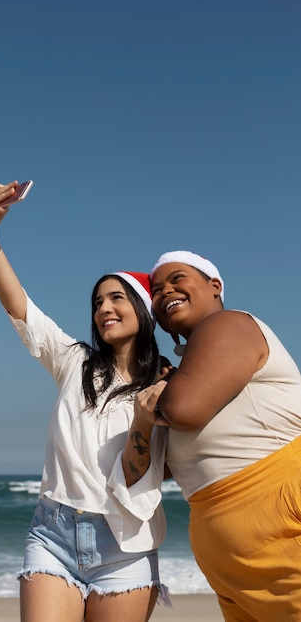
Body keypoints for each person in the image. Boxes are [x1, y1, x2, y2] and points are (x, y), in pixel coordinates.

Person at [0, 180, 172, 622]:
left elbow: (146, 466)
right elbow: (20, 307)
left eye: (116, 298)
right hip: (53, 534)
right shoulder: (75, 362)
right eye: (98, 301)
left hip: (126, 547)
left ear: (141, 310)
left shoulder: (166, 385)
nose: (104, 307)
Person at [127, 250, 301, 622]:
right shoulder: (191, 368)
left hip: (281, 515)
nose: (165, 291)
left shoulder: (229, 325)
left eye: (178, 279)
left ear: (215, 286)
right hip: (228, 553)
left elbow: (184, 410)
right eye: (156, 290)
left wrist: (161, 390)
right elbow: (165, 468)